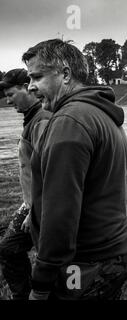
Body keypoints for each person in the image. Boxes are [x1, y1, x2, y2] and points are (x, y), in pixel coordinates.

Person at [22, 39, 127, 300]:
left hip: (87, 262)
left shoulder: (70, 120)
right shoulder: (100, 112)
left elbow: (60, 210)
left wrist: (41, 282)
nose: (31, 86)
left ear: (65, 74)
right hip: (115, 251)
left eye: (37, 76)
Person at [0, 68, 51, 300]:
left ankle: (33, 295)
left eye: (11, 94)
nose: (7, 100)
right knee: (9, 249)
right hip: (31, 203)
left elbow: (50, 170)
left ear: (26, 88)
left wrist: (36, 210)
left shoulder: (41, 121)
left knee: (45, 256)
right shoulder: (32, 118)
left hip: (41, 205)